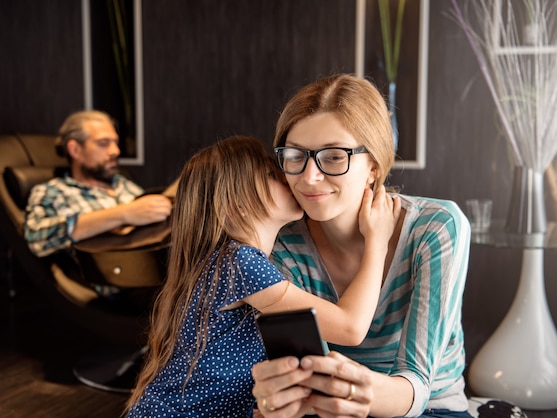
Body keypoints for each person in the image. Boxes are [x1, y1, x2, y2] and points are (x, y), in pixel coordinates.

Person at [123, 135, 400, 417]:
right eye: (271, 174)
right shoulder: (239, 263)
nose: (288, 177)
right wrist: (377, 241)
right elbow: (349, 328)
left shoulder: (230, 261)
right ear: (236, 204)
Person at [250, 74, 472, 418]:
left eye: (335, 156)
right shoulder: (285, 246)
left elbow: (418, 383)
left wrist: (361, 390)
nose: (309, 177)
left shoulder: (437, 227)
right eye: (295, 155)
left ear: (374, 166)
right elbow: (310, 378)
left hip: (429, 408)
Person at [24, 110, 173, 259]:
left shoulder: (123, 183)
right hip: (111, 274)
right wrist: (124, 214)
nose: (115, 151)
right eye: (103, 143)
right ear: (75, 150)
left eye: (116, 143)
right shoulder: (53, 192)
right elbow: (36, 239)